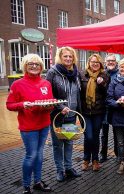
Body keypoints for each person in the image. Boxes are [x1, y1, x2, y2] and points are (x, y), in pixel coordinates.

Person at [6, 54, 53, 194]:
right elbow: (9, 105)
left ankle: (37, 182)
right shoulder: (17, 84)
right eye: (30, 64)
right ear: (25, 66)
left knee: (39, 155)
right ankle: (26, 186)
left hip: (44, 124)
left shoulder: (46, 84)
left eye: (37, 64)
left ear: (41, 67)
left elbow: (50, 103)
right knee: (31, 155)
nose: (34, 66)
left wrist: (48, 107)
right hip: (28, 127)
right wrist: (22, 104)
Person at [46, 46, 81, 182]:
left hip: (71, 116)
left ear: (73, 58)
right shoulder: (52, 73)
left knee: (69, 142)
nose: (68, 58)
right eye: (65, 56)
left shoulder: (76, 73)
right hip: (57, 116)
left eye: (70, 56)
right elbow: (48, 95)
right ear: (60, 57)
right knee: (57, 144)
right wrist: (60, 107)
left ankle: (68, 168)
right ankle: (59, 170)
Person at [79, 54, 109, 171]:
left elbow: (107, 93)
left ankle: (95, 160)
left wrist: (102, 84)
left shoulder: (104, 75)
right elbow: (78, 92)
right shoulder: (82, 74)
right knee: (88, 136)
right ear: (89, 62)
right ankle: (86, 159)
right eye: (93, 62)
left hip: (98, 111)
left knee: (95, 136)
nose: (95, 64)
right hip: (85, 111)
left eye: (97, 62)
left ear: (100, 64)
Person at [100, 53, 119, 163]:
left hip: (116, 107)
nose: (111, 62)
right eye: (109, 61)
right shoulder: (102, 73)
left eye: (112, 61)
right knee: (104, 132)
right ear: (105, 62)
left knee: (117, 132)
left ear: (115, 62)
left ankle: (118, 154)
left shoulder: (119, 73)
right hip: (105, 107)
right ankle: (103, 154)